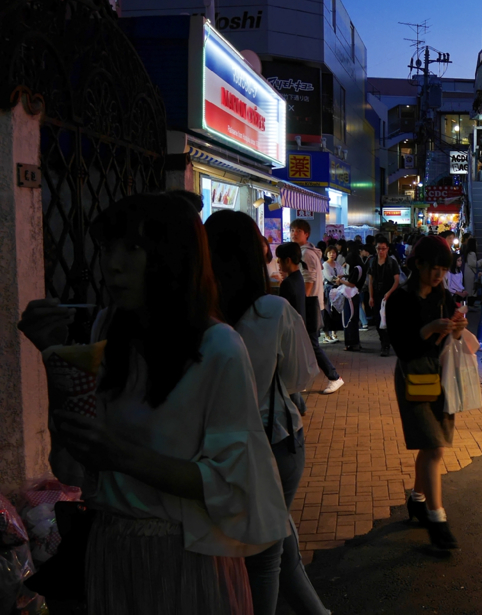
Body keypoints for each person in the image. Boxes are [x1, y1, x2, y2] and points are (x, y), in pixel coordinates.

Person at [19, 194, 289, 615]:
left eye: (134, 249)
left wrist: (121, 456)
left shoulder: (218, 346)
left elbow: (233, 482)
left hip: (187, 556)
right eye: (108, 248)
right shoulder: (110, 329)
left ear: (172, 257)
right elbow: (74, 465)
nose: (114, 264)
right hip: (110, 552)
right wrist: (53, 353)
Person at [204, 211, 329, 615]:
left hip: (218, 451)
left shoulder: (200, 319)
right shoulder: (271, 312)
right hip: (277, 442)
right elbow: (299, 377)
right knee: (270, 548)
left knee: (271, 545)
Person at [387, 236, 466, 550]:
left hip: (442, 374)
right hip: (413, 376)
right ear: (417, 263)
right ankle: (437, 520)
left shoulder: (444, 296)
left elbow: (452, 340)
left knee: (432, 444)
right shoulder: (399, 300)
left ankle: (418, 500)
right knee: (433, 447)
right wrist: (429, 329)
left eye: (443, 269)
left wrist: (457, 328)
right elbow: (403, 347)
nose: (439, 275)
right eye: (434, 267)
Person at [290, 220, 343, 394]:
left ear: (306, 234)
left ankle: (334, 377)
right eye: (292, 230)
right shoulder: (308, 252)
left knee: (311, 344)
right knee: (305, 344)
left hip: (310, 304)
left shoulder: (306, 254)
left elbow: (309, 281)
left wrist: (301, 302)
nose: (294, 233)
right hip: (311, 303)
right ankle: (303, 380)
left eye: (298, 231)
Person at [368, 236, 401, 357]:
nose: (381, 251)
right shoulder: (372, 261)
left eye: (383, 248)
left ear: (387, 249)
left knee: (389, 320)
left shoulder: (392, 262)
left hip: (389, 295)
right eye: (378, 248)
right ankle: (383, 342)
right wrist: (371, 296)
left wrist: (389, 293)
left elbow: (396, 280)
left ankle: (386, 344)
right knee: (378, 320)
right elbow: (370, 280)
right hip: (377, 294)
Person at [339, 248, 366, 351]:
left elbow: (351, 283)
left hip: (351, 296)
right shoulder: (360, 267)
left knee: (349, 319)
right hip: (355, 296)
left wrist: (341, 281)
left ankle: (350, 343)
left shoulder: (356, 268)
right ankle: (355, 343)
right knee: (353, 320)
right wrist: (345, 276)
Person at [322, 247, 345, 343]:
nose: (332, 254)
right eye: (330, 253)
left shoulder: (337, 264)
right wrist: (338, 279)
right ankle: (327, 335)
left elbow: (342, 273)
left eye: (334, 253)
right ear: (326, 254)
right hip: (328, 291)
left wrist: (339, 278)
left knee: (336, 312)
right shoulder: (325, 265)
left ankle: (334, 333)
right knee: (327, 312)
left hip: (337, 290)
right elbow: (329, 277)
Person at [463, 238, 479, 307]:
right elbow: (473, 264)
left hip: (468, 273)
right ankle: (470, 304)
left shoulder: (468, 253)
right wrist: (481, 261)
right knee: (472, 289)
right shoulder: (472, 253)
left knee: (469, 288)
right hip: (471, 274)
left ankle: (470, 304)